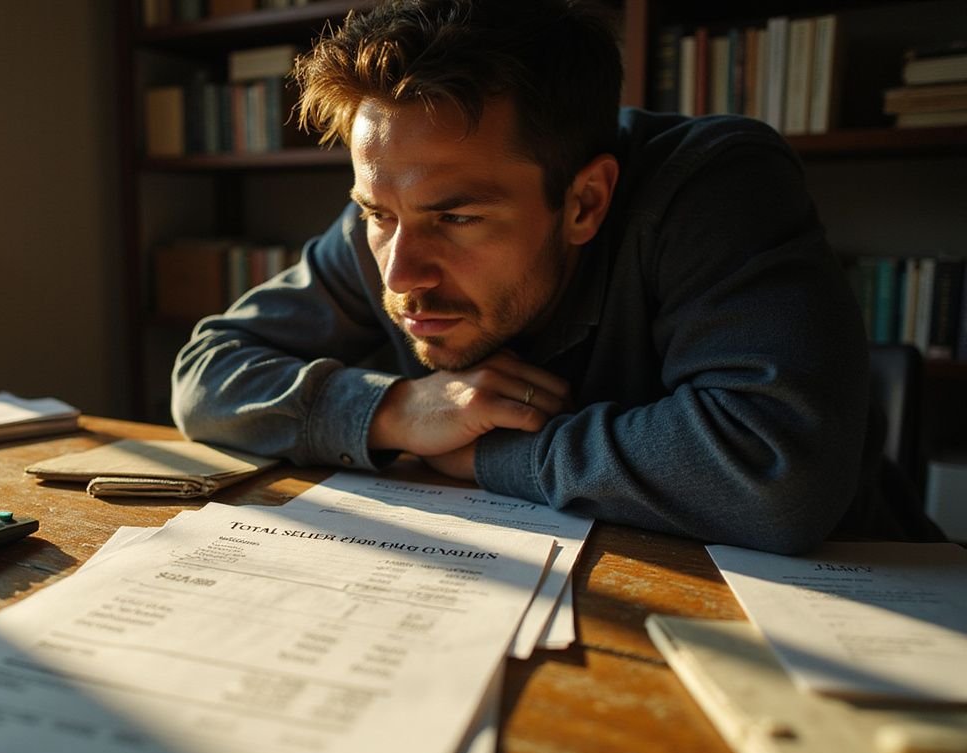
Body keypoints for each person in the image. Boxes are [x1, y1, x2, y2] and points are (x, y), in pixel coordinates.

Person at [170, 0, 929, 553]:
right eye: (377, 213)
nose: (401, 274)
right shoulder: (394, 220)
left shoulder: (713, 184)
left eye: (458, 219)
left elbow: (773, 470)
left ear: (586, 201)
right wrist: (398, 411)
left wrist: (482, 453)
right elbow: (205, 374)